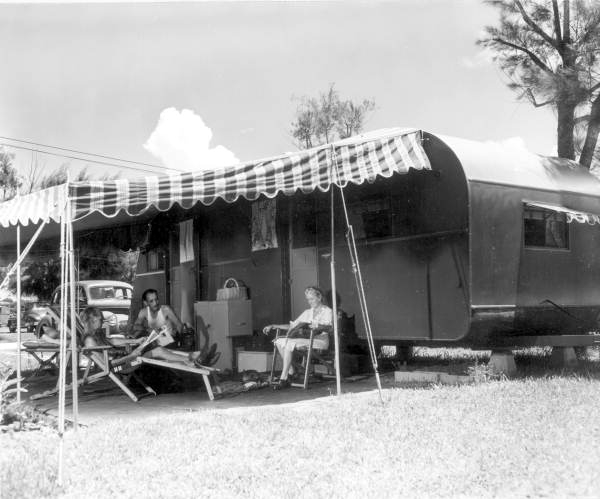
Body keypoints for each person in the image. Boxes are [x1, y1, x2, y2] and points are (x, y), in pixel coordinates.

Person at [263, 286, 333, 389]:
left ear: (319, 297)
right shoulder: (307, 312)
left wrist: (318, 327)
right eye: (308, 299)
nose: (310, 302)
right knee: (279, 341)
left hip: (320, 340)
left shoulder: (327, 311)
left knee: (289, 343)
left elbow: (330, 328)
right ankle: (290, 371)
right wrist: (274, 325)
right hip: (307, 339)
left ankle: (284, 378)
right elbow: (292, 326)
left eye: (312, 299)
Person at [130, 289, 219, 367]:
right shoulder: (143, 312)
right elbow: (136, 326)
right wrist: (149, 329)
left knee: (163, 345)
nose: (155, 303)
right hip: (156, 342)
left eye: (156, 299)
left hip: (170, 340)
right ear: (146, 303)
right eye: (151, 301)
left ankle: (202, 357)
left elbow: (179, 325)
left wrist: (180, 334)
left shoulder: (165, 310)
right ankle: (200, 357)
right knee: (157, 346)